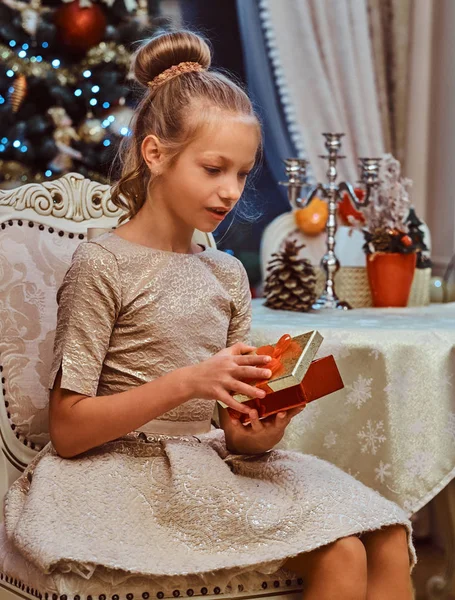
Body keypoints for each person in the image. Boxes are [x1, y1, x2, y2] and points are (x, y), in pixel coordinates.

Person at [5, 30, 415, 600]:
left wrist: (257, 429)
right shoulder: (102, 265)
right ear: (155, 154)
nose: (229, 191)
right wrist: (189, 382)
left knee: (384, 534)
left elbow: (231, 423)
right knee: (344, 549)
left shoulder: (223, 273)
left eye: (243, 174)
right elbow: (70, 430)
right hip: (122, 471)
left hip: (214, 465)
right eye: (214, 168)